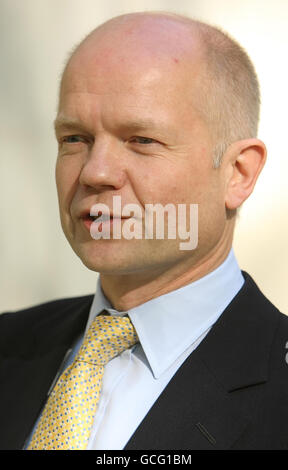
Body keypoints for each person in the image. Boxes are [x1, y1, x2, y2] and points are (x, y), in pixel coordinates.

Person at [1, 11, 287, 451]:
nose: (95, 172)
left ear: (238, 173)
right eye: (75, 138)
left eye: (142, 140)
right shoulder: (10, 347)